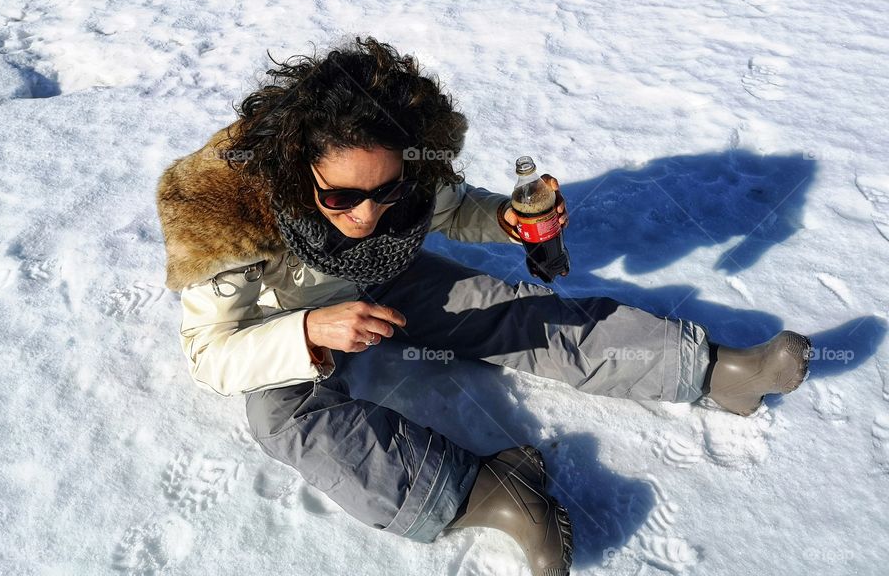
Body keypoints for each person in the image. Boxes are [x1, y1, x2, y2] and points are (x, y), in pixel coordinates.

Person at [155, 36, 811, 575]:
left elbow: (453, 207)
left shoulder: (399, 173)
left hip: (381, 284)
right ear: (300, 171)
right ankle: (490, 495)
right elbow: (208, 354)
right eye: (341, 200)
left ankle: (716, 372)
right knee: (283, 421)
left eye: (386, 194)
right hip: (282, 326)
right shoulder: (229, 219)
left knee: (509, 310)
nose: (366, 215)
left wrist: (508, 218)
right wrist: (306, 330)